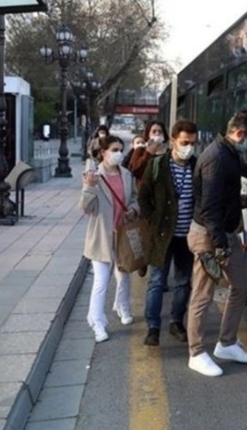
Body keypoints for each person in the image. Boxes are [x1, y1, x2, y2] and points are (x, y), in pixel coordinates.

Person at [186, 110, 247, 377]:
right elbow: (209, 208)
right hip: (209, 236)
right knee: (203, 295)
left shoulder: (229, 154)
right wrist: (219, 245)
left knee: (241, 285)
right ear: (240, 133)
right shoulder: (216, 158)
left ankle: (227, 343)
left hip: (225, 233)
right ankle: (196, 353)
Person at [138, 120, 199, 346]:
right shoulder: (157, 165)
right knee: (157, 281)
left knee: (183, 282)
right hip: (162, 234)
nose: (189, 147)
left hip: (187, 236)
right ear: (173, 140)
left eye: (192, 143)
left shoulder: (197, 166)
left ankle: (176, 322)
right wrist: (153, 220)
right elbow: (143, 196)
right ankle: (153, 327)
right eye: (184, 142)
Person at [79, 134, 138, 343]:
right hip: (102, 236)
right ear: (103, 152)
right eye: (114, 150)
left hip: (122, 234)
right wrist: (89, 187)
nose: (118, 154)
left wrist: (133, 210)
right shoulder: (94, 176)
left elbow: (134, 198)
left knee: (124, 275)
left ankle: (122, 305)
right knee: (101, 281)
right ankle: (97, 321)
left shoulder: (126, 174)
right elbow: (86, 208)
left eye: (120, 149)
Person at [128, 120, 169, 185]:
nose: (157, 134)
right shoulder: (140, 150)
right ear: (148, 134)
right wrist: (148, 153)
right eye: (154, 131)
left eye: (160, 131)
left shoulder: (169, 152)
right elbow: (134, 170)